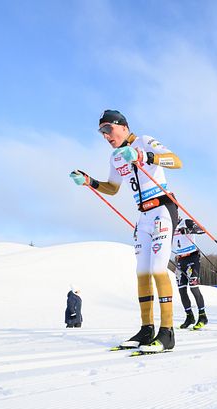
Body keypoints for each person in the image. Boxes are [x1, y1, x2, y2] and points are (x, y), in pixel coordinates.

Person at [70, 109, 182, 353]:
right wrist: (90, 181)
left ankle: (167, 332)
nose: (105, 136)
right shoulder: (115, 157)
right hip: (143, 215)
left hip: (163, 208)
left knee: (157, 269)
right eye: (101, 132)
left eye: (108, 129)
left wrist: (144, 156)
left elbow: (176, 161)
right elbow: (113, 188)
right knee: (142, 272)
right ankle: (146, 329)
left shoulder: (144, 141)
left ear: (122, 126)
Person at [173, 217, 208, 330]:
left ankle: (202, 316)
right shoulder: (168, 225)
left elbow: (202, 230)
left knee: (193, 287)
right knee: (182, 290)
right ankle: (189, 317)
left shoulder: (185, 222)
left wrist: (188, 230)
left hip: (192, 257)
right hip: (180, 260)